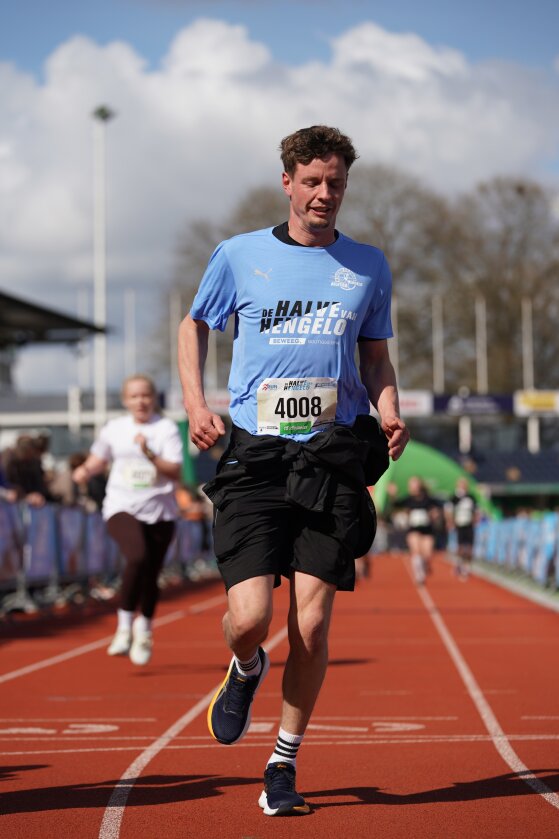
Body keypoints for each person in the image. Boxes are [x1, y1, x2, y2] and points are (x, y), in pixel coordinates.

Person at [178, 125, 409, 817]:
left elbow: (375, 357)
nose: (323, 194)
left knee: (311, 624)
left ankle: (282, 762)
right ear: (287, 182)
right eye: (311, 181)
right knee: (250, 618)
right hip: (255, 456)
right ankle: (246, 665)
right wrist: (195, 403)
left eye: (335, 182)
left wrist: (390, 410)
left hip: (330, 456)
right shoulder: (239, 255)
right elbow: (194, 325)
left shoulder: (367, 265)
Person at [72, 375, 183, 665]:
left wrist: (148, 453)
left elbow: (174, 471)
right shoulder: (115, 428)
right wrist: (85, 471)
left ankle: (143, 631)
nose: (140, 401)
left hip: (160, 511)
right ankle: (123, 627)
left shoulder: (166, 428)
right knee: (137, 557)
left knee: (151, 572)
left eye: (145, 395)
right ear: (125, 400)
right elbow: (99, 458)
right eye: (134, 396)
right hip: (121, 506)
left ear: (154, 398)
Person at [398, 476, 441, 585]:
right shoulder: (408, 499)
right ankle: (419, 575)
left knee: (427, 554)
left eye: (414, 484)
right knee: (416, 551)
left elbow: (438, 507)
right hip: (414, 529)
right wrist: (393, 495)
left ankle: (425, 565)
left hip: (427, 530)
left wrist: (435, 514)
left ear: (420, 486)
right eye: (411, 485)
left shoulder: (428, 499)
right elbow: (396, 505)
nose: (412, 487)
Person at [445, 477, 478, 580]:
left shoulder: (471, 497)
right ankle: (459, 565)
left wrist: (475, 520)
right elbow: (448, 510)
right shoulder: (454, 497)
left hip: (469, 525)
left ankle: (466, 567)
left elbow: (476, 510)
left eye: (464, 484)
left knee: (469, 548)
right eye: (461, 484)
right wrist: (450, 522)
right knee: (460, 547)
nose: (463, 486)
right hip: (459, 525)